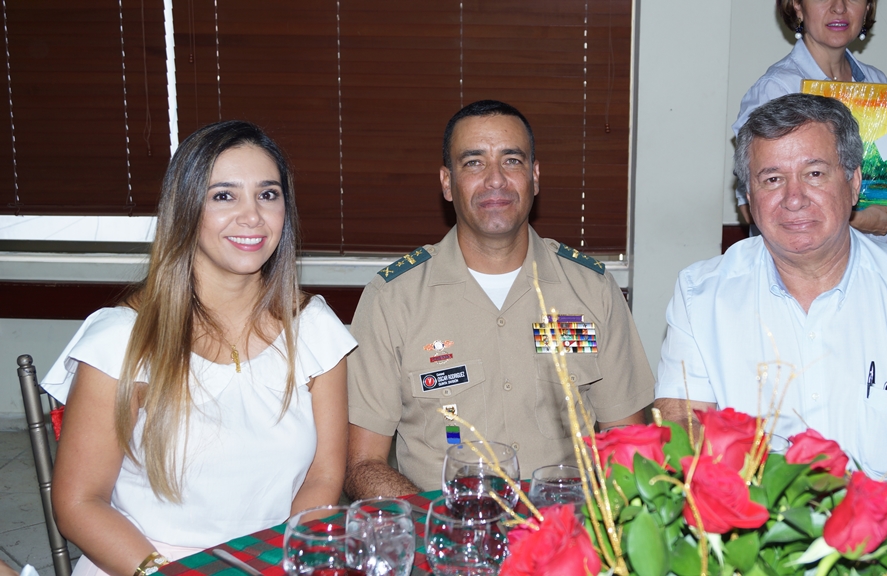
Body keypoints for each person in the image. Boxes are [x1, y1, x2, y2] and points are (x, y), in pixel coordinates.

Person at [655, 93, 887, 497]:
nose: (794, 199)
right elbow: (681, 429)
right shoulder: (701, 295)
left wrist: (882, 518)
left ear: (854, 182)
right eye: (772, 179)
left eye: (814, 174)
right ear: (750, 198)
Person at [41, 121, 356, 576]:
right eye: (224, 196)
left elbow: (323, 477)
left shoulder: (314, 328)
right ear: (186, 208)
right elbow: (79, 502)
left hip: (272, 561)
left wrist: (287, 561)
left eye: (268, 194)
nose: (252, 216)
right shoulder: (122, 339)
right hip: (142, 564)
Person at [345, 100, 654, 498]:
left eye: (511, 160)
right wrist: (435, 522)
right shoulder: (393, 300)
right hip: (442, 527)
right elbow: (362, 465)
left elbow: (628, 445)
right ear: (447, 182)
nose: (495, 179)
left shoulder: (591, 290)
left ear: (534, 177)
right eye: (474, 162)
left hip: (564, 524)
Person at [733, 0, 887, 237]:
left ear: (867, 7)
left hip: (869, 252)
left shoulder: (876, 81)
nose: (839, 7)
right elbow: (750, 206)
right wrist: (855, 220)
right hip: (802, 254)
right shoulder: (777, 88)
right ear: (797, 6)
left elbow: (877, 168)